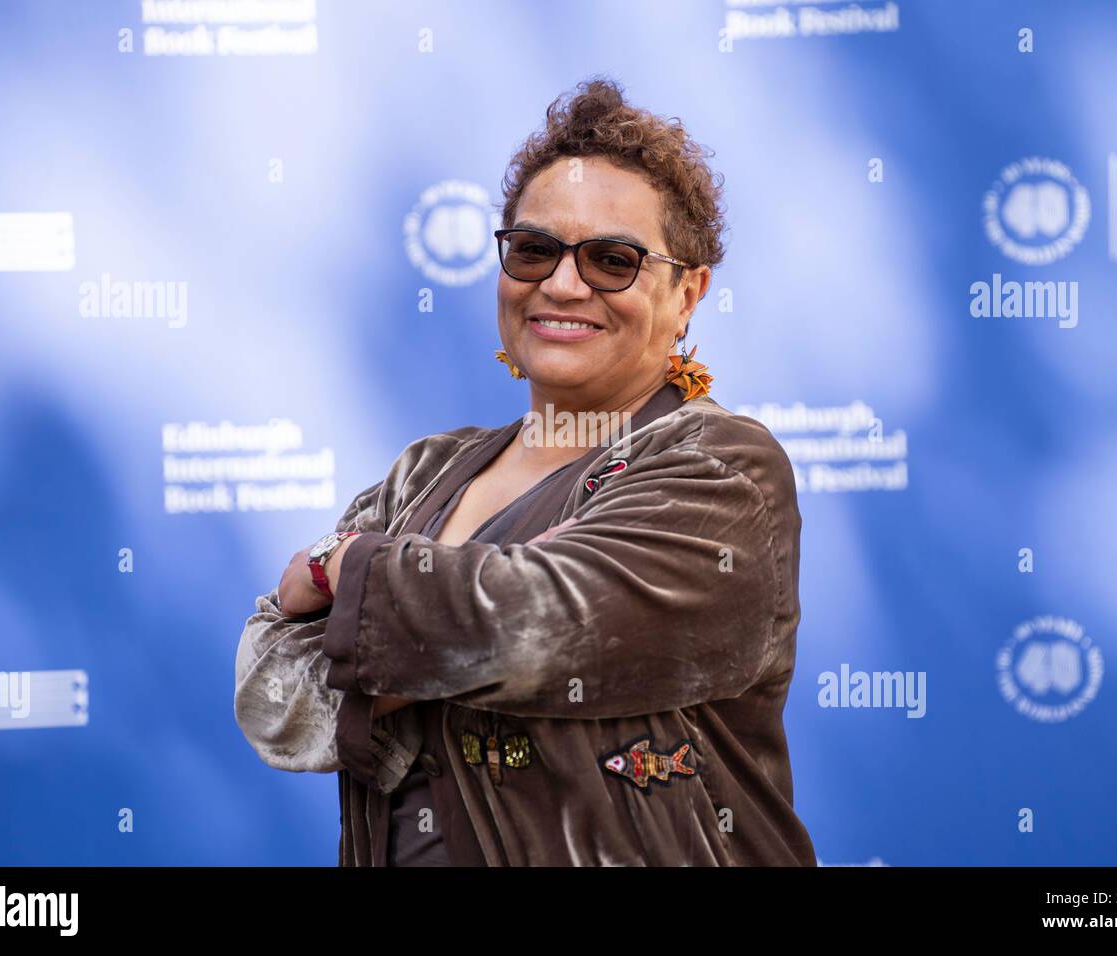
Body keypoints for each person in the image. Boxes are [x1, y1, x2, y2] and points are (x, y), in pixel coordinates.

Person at [234, 76, 817, 866]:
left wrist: (335, 570)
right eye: (535, 250)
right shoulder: (426, 473)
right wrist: (417, 631)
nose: (564, 284)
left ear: (688, 294)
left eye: (613, 259)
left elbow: (533, 626)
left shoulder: (722, 471)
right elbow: (272, 693)